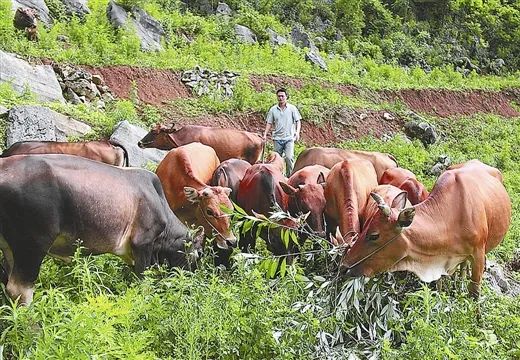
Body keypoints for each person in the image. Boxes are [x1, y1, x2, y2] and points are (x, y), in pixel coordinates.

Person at [263, 88, 302, 176]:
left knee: (289, 158)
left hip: (289, 138)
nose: (280, 98)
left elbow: (298, 121)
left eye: (282, 96)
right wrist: (265, 134)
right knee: (276, 159)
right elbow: (269, 122)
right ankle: (278, 176)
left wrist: (297, 132)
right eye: (279, 96)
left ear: (286, 97)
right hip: (277, 138)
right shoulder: (273, 109)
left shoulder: (292, 108)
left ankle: (289, 177)